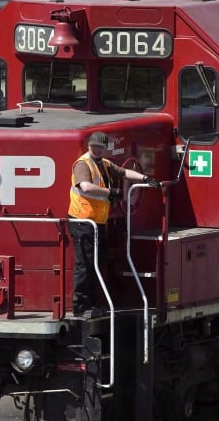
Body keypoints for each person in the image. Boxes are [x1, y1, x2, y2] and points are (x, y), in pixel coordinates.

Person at [68, 131, 160, 318]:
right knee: (84, 265)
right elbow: (85, 186)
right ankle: (81, 307)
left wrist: (145, 179)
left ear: (105, 148)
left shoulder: (104, 164)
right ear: (89, 146)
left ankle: (92, 305)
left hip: (97, 223)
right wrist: (110, 192)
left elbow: (124, 172)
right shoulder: (83, 164)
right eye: (94, 146)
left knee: (96, 264)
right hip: (82, 222)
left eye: (101, 147)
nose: (97, 149)